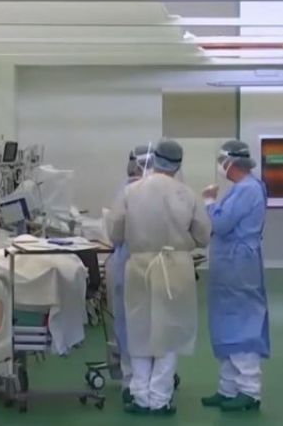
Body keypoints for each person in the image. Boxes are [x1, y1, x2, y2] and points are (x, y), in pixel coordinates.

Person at [107, 140, 211, 415]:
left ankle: (140, 396)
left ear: (154, 160)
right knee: (170, 333)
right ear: (178, 165)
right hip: (176, 268)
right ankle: (160, 398)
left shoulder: (131, 191)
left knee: (139, 331)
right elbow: (203, 235)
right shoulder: (187, 194)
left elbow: (115, 232)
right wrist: (181, 242)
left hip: (139, 266)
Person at [200, 140, 269, 412]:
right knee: (227, 325)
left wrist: (209, 202)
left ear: (231, 162)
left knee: (242, 324)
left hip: (238, 263)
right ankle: (228, 388)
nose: (220, 167)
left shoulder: (248, 189)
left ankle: (249, 391)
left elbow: (221, 224)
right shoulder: (242, 188)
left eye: (222, 162)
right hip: (230, 263)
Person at [107, 143, 153, 403]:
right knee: (155, 320)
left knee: (128, 320)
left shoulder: (127, 191)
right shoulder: (170, 190)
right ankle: (158, 380)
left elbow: (115, 229)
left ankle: (132, 379)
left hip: (129, 261)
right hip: (160, 265)